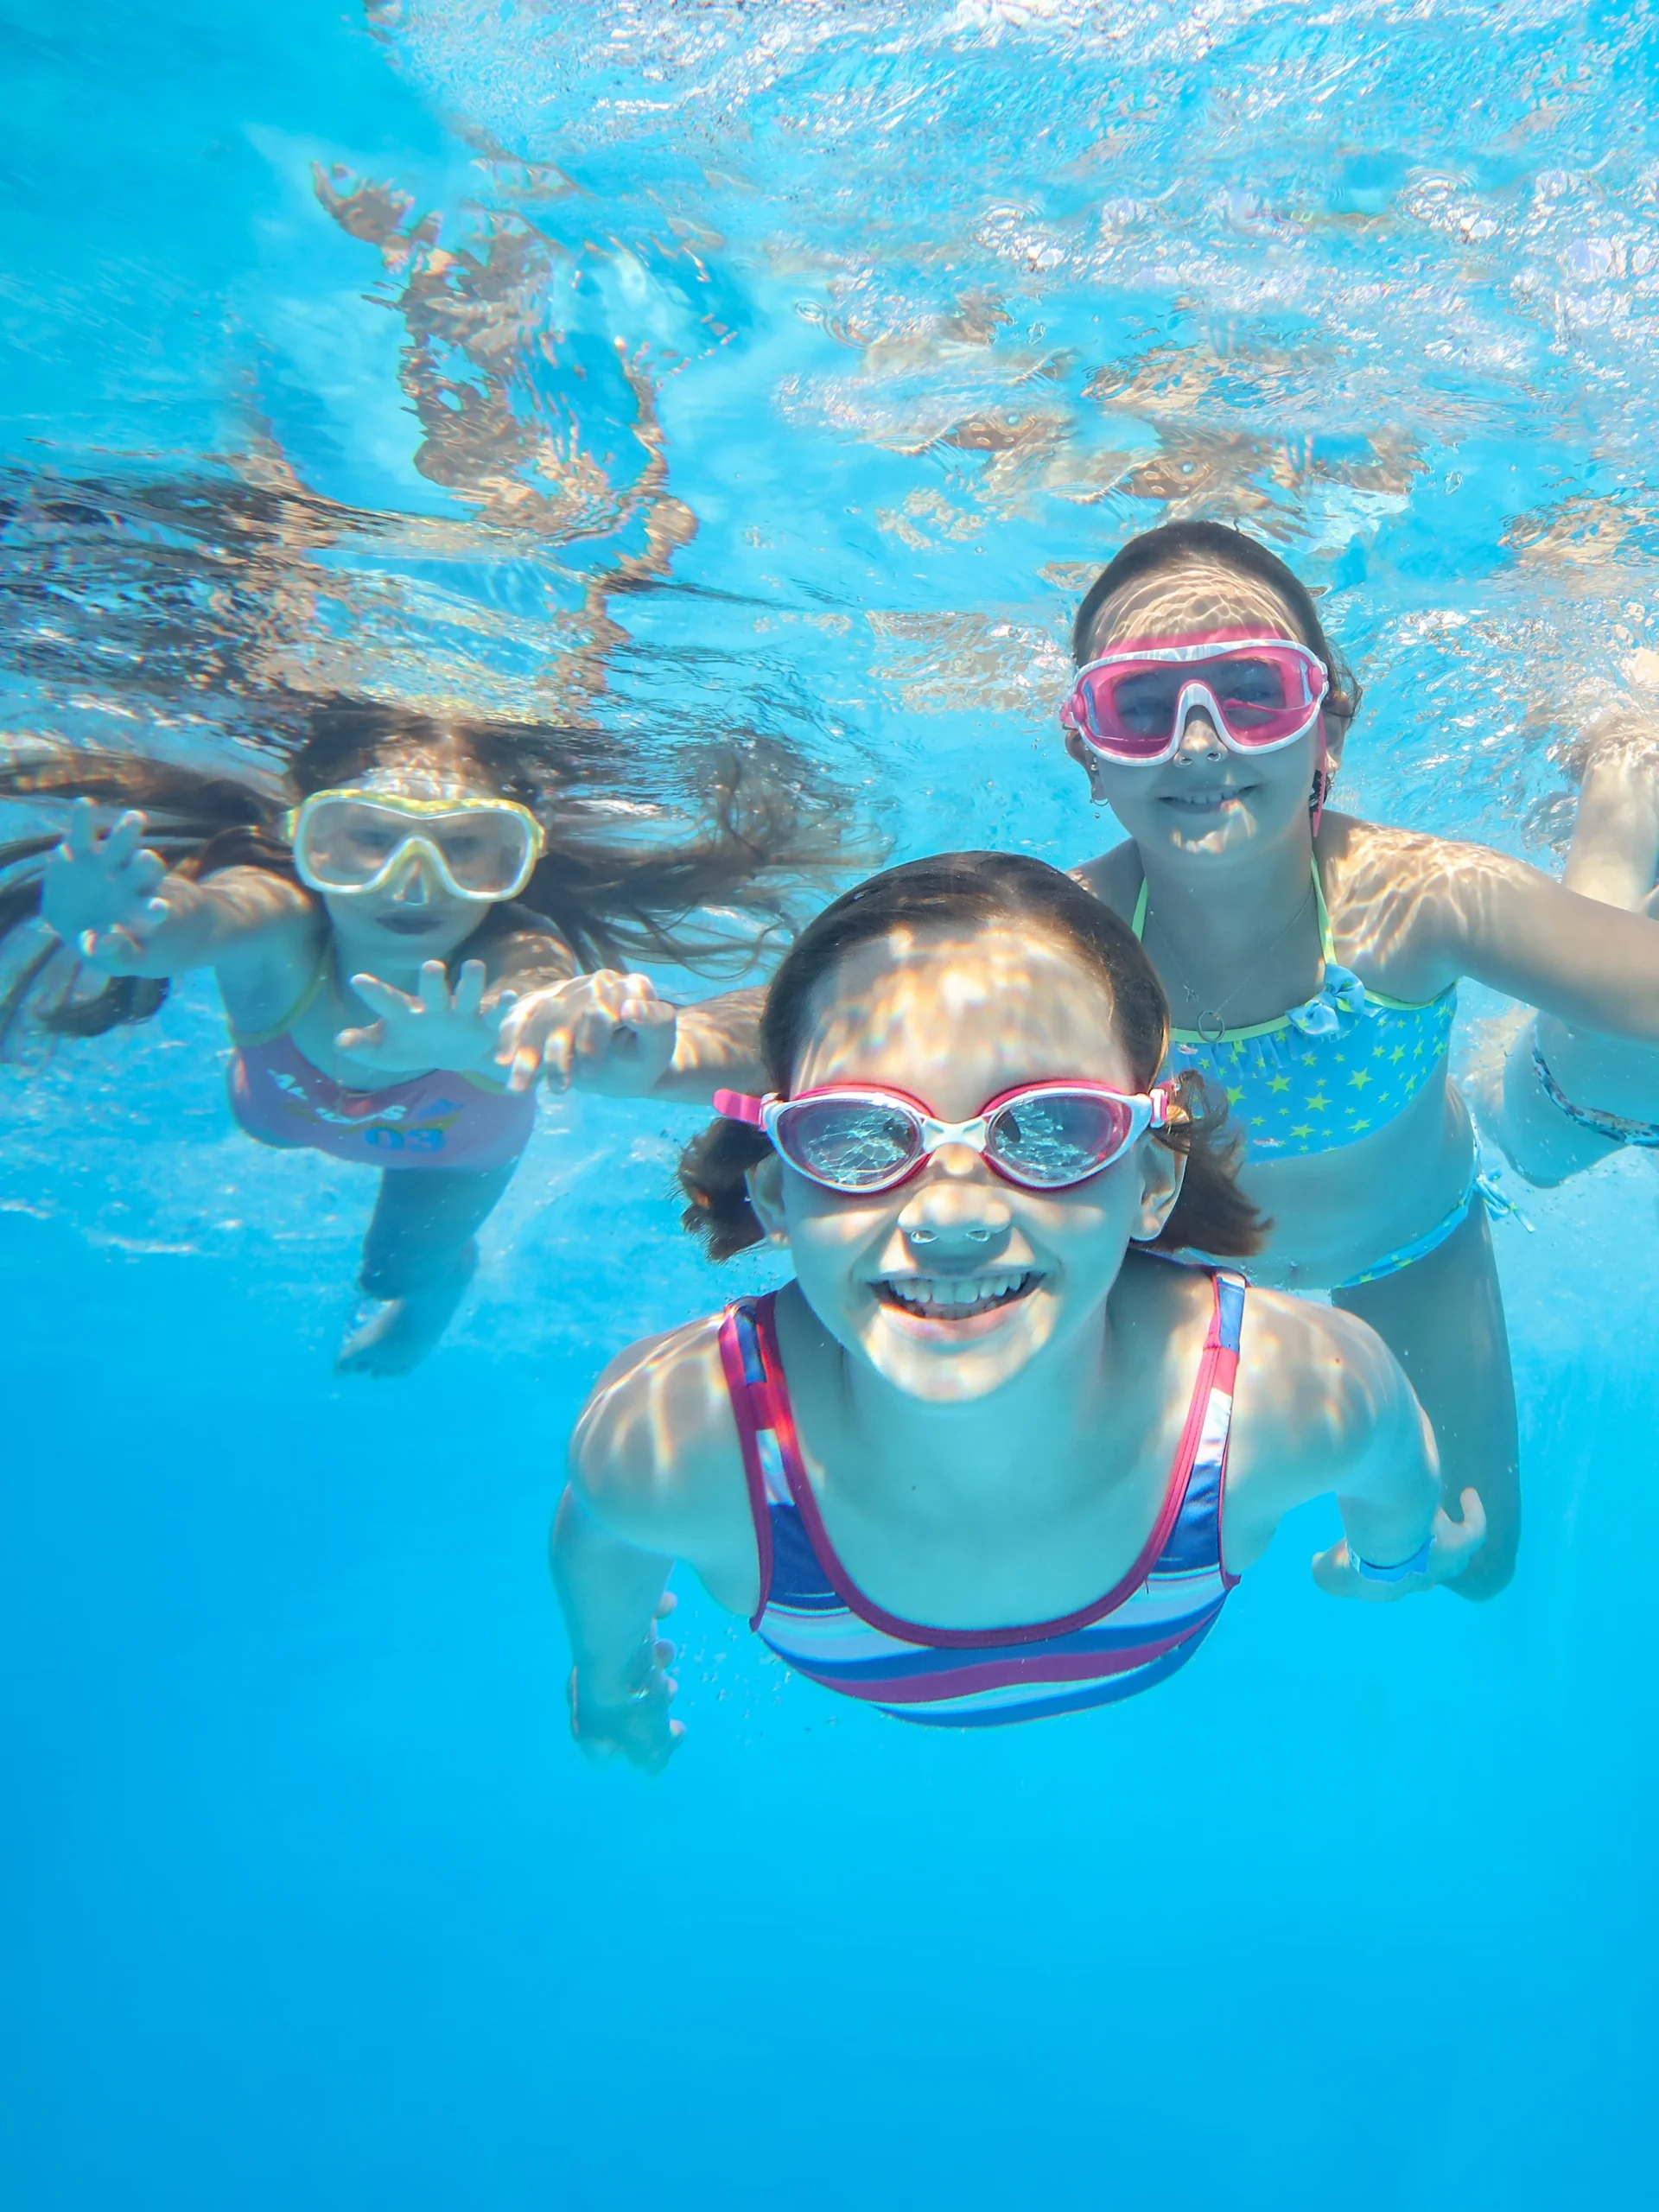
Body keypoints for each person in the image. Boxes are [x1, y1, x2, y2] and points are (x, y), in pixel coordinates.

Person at [563, 524, 1659, 1600]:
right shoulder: (1075, 933)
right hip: (1174, 1275)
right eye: (1141, 709)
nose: (1197, 741)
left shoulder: (1418, 900)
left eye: (1252, 694)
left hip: (1404, 1241)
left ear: (1327, 725)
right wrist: (661, 1045)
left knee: (1479, 1565)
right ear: (1088, 751)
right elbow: (850, 1005)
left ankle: (1614, 815)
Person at [554, 854, 1485, 1770]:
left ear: (1152, 1182)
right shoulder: (673, 1442)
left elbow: (1393, 1450)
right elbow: (597, 1548)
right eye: (856, 1134)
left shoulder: (1294, 1393)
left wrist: (1393, 1556)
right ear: (776, 1195)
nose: (951, 1216)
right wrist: (610, 1680)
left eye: (1049, 1127)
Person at [0, 696, 849, 1374]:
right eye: (366, 841)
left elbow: (530, 999)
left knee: (393, 1272)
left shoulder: (510, 946)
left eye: (465, 849)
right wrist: (117, 924)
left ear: (516, 859)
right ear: (305, 841)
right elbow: (197, 920)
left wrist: (545, 1022)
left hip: (451, 1145)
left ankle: (433, 1297)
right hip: (278, 1106)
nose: (414, 884)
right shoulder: (279, 918)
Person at [1475, 708, 1659, 1183]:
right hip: (1574, 1103)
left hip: (1586, 1089)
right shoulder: (1633, 764)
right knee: (1524, 1156)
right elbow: (1626, 738)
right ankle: (1510, 1030)